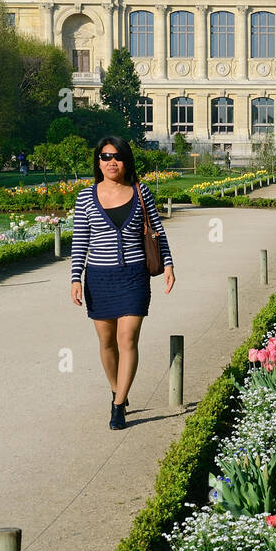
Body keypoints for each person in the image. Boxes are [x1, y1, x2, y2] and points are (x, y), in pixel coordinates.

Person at [70, 135, 175, 429]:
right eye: (104, 156)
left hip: (134, 276)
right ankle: (117, 388)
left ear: (126, 161)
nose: (110, 162)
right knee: (106, 342)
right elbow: (80, 241)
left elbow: (157, 232)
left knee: (127, 338)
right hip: (99, 278)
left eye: (116, 156)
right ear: (98, 161)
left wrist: (168, 263)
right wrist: (75, 277)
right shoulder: (85, 197)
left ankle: (118, 406)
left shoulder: (140, 192)